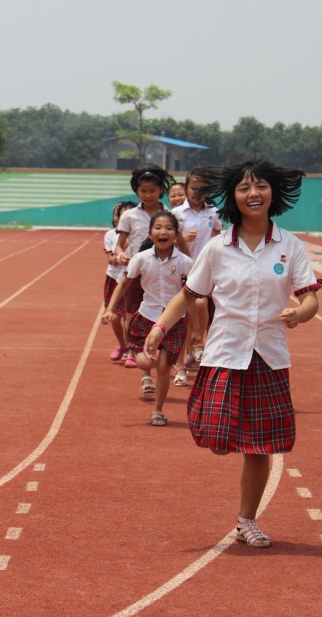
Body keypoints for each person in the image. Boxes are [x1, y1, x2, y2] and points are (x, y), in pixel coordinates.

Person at [144, 157, 321, 548]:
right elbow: (188, 296)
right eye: (244, 188)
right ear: (233, 198)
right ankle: (224, 440)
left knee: (260, 447)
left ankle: (247, 521)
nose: (253, 194)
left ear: (272, 193)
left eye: (260, 187)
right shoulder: (217, 249)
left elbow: (310, 299)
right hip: (225, 351)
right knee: (220, 441)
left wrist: (299, 314)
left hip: (269, 356)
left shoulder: (290, 246)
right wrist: (160, 327)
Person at [103, 211, 193, 426]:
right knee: (145, 362)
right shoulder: (140, 259)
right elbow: (123, 284)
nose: (163, 232)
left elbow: (194, 294)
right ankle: (142, 364)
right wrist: (110, 309)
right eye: (158, 228)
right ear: (150, 233)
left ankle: (158, 410)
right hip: (146, 318)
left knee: (163, 365)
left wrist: (196, 328)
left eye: (169, 228)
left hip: (173, 322)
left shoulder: (185, 262)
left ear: (176, 234)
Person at [113, 165, 189, 368]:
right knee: (132, 313)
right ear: (137, 191)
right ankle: (133, 348)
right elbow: (120, 244)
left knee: (163, 312)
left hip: (164, 268)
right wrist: (122, 255)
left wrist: (189, 261)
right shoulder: (129, 216)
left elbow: (180, 243)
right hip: (137, 268)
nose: (148, 195)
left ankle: (162, 352)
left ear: (160, 191)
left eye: (152, 191)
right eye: (143, 191)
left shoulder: (171, 215)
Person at [172, 168, 223, 384]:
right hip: (183, 268)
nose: (198, 193)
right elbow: (165, 238)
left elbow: (218, 236)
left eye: (204, 189)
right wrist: (181, 238)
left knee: (206, 309)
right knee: (184, 315)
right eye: (194, 188)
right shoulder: (177, 214)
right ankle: (181, 363)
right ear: (186, 188)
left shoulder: (214, 212)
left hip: (207, 269)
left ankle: (200, 346)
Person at [105, 201, 134, 361]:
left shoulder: (139, 232)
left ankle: (132, 350)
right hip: (115, 279)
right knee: (115, 317)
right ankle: (123, 344)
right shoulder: (111, 235)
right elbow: (111, 260)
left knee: (129, 317)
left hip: (132, 278)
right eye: (120, 214)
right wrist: (121, 252)